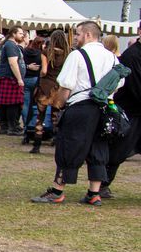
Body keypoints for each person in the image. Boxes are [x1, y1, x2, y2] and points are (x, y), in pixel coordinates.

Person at [32, 21, 123, 206]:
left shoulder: (77, 55)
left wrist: (61, 104)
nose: (75, 38)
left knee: (69, 146)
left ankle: (58, 191)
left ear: (88, 35)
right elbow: (119, 84)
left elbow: (66, 84)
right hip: (104, 108)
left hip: (80, 108)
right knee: (99, 147)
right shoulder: (112, 58)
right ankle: (94, 193)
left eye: (78, 34)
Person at [100, 34, 141, 198]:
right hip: (131, 111)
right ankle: (102, 183)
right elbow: (136, 87)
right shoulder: (132, 55)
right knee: (119, 150)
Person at [29, 30, 70, 154]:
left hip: (46, 86)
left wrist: (41, 75)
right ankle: (57, 143)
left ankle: (37, 145)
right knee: (56, 116)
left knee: (40, 116)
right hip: (59, 87)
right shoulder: (68, 54)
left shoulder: (46, 52)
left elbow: (44, 71)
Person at [0, 27, 27, 135]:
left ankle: (5, 127)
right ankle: (12, 127)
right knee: (12, 104)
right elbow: (12, 62)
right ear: (13, 34)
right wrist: (19, 78)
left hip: (6, 77)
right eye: (20, 33)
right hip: (10, 78)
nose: (22, 35)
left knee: (5, 104)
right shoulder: (10, 45)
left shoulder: (7, 44)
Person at [21, 36, 46, 142]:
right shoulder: (42, 54)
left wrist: (27, 67)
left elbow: (20, 64)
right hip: (36, 79)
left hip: (26, 78)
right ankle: (33, 124)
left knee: (25, 104)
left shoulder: (25, 51)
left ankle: (26, 125)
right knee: (35, 105)